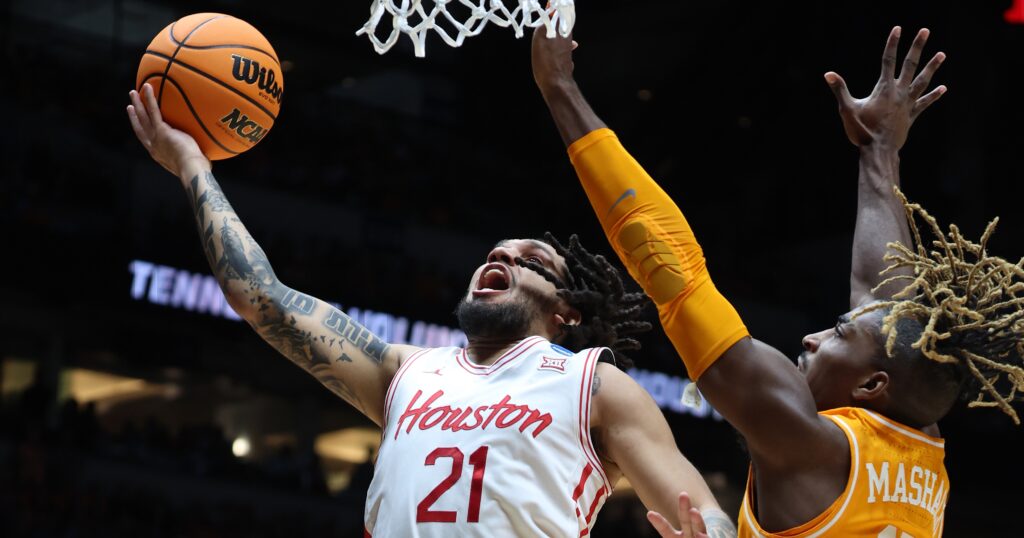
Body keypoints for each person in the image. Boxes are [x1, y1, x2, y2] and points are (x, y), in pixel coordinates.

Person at [125, 83, 735, 536]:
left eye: (531, 258)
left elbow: (699, 511)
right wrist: (192, 165)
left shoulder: (596, 386)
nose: (503, 252)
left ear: (568, 312)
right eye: (497, 251)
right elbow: (261, 298)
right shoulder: (403, 372)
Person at [533, 25, 1024, 537]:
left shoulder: (807, 444)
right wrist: (879, 150)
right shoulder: (922, 442)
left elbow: (671, 269)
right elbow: (884, 307)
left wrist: (559, 89)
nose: (811, 339)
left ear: (872, 385)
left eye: (835, 334)